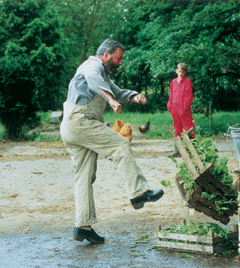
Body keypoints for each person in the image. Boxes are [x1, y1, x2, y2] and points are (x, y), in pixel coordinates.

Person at [60, 39, 164, 244]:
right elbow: (93, 80)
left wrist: (133, 96)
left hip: (72, 125)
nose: (120, 63)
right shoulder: (92, 66)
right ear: (105, 55)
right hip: (82, 121)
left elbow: (116, 92)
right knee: (121, 145)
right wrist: (111, 101)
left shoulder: (103, 75)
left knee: (84, 176)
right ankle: (138, 193)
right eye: (118, 58)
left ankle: (83, 226)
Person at [167, 63, 195, 157]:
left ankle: (192, 151)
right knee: (177, 129)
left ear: (185, 73)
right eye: (179, 71)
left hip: (184, 110)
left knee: (188, 129)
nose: (181, 73)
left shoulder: (187, 82)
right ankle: (177, 151)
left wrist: (185, 108)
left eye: (183, 72)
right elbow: (171, 95)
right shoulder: (173, 82)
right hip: (175, 109)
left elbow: (189, 97)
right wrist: (170, 106)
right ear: (176, 71)